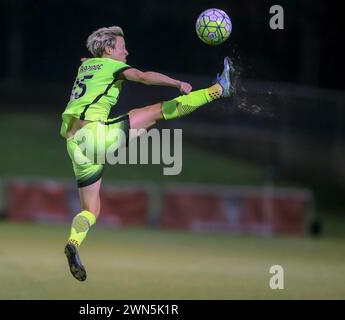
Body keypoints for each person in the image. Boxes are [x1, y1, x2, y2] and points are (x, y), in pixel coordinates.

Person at [61, 26, 234, 281]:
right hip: (95, 136)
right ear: (109, 49)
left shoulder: (86, 67)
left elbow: (92, 65)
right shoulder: (109, 66)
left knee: (91, 209)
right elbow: (142, 76)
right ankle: (219, 90)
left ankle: (74, 242)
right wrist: (176, 82)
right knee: (158, 111)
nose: (127, 52)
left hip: (74, 144)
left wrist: (92, 59)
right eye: (122, 47)